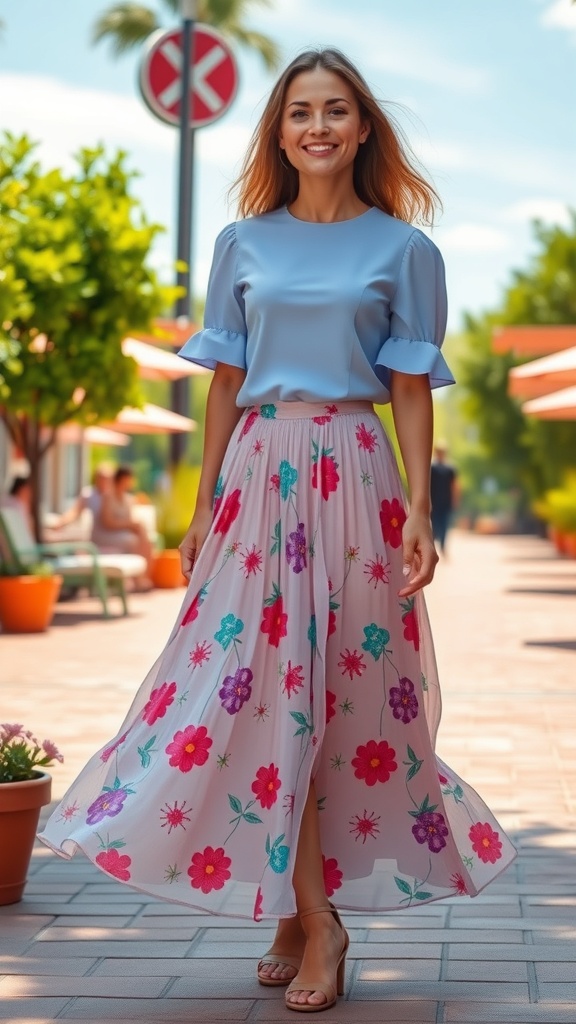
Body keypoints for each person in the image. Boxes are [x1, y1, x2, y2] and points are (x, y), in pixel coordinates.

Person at [39, 48, 515, 1013]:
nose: (319, 127)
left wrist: (421, 510)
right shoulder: (240, 243)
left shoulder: (406, 251)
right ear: (279, 130)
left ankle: (303, 911)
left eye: (337, 110)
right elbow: (223, 380)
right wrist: (204, 500)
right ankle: (318, 915)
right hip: (259, 481)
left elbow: (410, 389)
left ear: (364, 127)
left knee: (339, 691)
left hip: (356, 478)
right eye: (301, 112)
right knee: (258, 687)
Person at [91, 465, 154, 587]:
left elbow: (129, 520)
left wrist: (135, 526)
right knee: (133, 541)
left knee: (145, 540)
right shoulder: (108, 496)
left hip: (120, 533)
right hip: (104, 535)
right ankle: (139, 579)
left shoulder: (128, 499)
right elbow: (107, 522)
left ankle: (144, 577)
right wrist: (129, 524)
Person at [50, 464, 114, 536]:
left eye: (107, 479)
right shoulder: (88, 494)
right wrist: (61, 523)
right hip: (98, 534)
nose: (104, 482)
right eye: (101, 478)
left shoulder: (116, 496)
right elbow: (75, 511)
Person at [430, 442, 459, 554]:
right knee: (434, 525)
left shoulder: (450, 468)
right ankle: (433, 546)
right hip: (434, 502)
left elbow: (454, 486)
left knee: (445, 525)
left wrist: (455, 500)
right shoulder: (431, 467)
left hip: (446, 502)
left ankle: (443, 546)